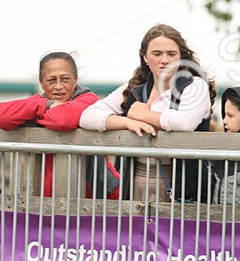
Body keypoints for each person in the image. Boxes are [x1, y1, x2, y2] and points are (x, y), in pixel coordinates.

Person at [79, 23, 216, 202]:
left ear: (181, 56)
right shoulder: (135, 89)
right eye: (157, 54)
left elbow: (185, 122)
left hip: (185, 190)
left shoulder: (195, 86)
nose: (164, 60)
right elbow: (86, 117)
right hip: (135, 184)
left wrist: (142, 114)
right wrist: (128, 122)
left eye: (171, 54)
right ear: (145, 57)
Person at [0, 52, 119, 198]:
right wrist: (46, 104)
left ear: (76, 79)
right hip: (44, 201)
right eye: (51, 80)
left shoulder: (90, 100)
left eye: (65, 79)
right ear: (41, 82)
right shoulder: (38, 103)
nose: (58, 86)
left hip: (98, 199)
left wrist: (34, 113)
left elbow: (62, 120)